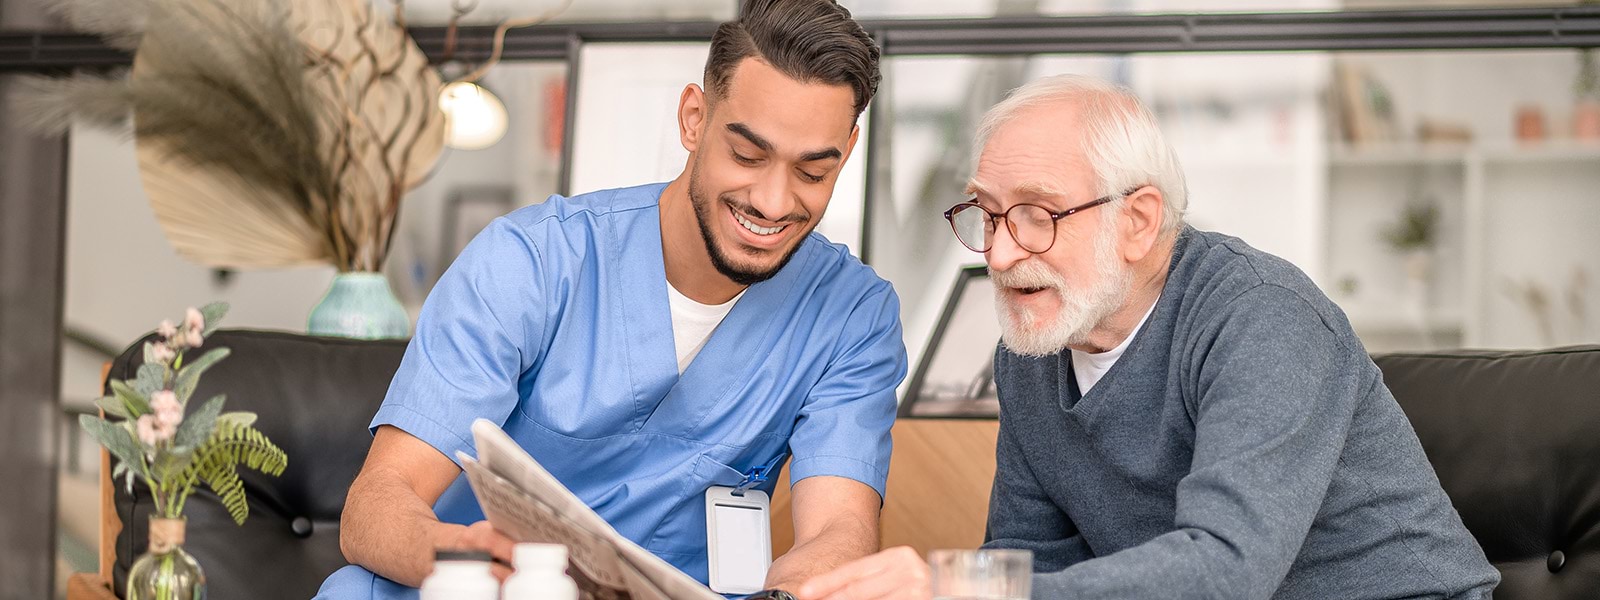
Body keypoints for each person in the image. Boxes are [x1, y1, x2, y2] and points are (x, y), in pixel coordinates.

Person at [795, 75, 1500, 600]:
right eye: (987, 212)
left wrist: (952, 589)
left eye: (1036, 214)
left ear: (1137, 221)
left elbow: (1226, 568)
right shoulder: (1034, 350)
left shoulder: (1261, 318)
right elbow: (1027, 559)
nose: (1001, 256)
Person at [317, 1, 904, 597]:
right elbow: (377, 506)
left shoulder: (851, 317)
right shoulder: (533, 262)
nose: (775, 202)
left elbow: (838, 528)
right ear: (694, 119)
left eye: (812, 172)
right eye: (748, 156)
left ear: (847, 152)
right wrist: (469, 563)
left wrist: (799, 589)